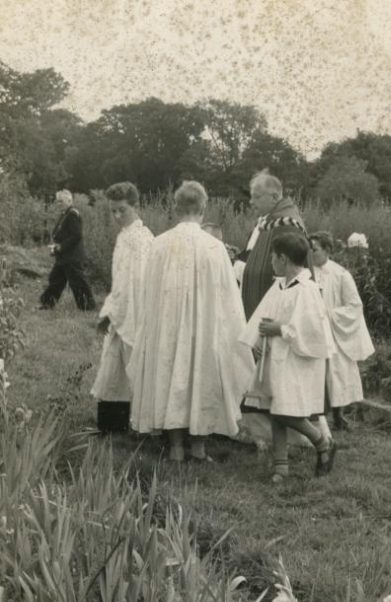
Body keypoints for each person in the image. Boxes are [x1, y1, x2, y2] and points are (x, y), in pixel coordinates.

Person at [128, 181, 254, 462]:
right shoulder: (215, 247)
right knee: (201, 373)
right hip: (203, 325)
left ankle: (175, 446)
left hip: (167, 326)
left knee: (168, 370)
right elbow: (228, 295)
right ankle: (198, 446)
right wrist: (232, 329)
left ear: (175, 208)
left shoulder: (160, 244)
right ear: (203, 207)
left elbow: (148, 290)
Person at [239, 233, 336, 483]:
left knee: (285, 411)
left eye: (273, 257)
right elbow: (263, 315)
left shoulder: (307, 290)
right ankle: (280, 467)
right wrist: (257, 339)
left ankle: (322, 442)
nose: (271, 261)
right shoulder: (279, 286)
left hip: (297, 361)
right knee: (275, 408)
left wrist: (280, 330)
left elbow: (312, 330)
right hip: (276, 357)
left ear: (283, 259)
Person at [91, 182, 154, 428]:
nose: (117, 216)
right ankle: (113, 423)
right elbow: (120, 280)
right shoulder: (124, 235)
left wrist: (114, 312)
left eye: (122, 210)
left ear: (135, 206)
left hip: (135, 310)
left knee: (134, 365)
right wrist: (110, 309)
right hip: (120, 307)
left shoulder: (141, 238)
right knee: (114, 364)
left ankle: (144, 422)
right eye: (113, 211)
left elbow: (137, 282)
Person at [310, 231, 375, 430]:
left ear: (327, 250)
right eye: (309, 250)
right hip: (311, 329)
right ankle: (313, 415)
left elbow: (354, 305)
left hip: (333, 330)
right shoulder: (306, 273)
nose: (311, 254)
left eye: (315, 250)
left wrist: (330, 315)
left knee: (336, 371)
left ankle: (338, 415)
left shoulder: (340, 274)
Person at [241, 171, 307, 320]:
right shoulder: (267, 223)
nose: (251, 202)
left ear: (275, 197)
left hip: (277, 312)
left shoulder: (286, 224)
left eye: (256, 197)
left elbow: (290, 274)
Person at [39, 190, 96, 311]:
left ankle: (88, 307)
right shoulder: (65, 214)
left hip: (72, 257)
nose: (58, 204)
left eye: (61, 201)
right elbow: (62, 234)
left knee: (78, 282)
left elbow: (77, 235)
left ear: (69, 201)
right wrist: (55, 247)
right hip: (64, 256)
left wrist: (62, 246)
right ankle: (47, 304)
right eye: (57, 201)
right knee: (55, 279)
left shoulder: (73, 214)